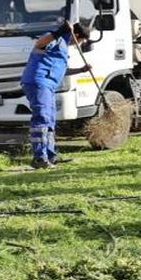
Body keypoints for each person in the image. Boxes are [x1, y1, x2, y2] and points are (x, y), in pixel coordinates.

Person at [21, 20, 91, 169]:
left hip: (48, 85)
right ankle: (40, 158)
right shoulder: (54, 39)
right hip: (39, 82)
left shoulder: (63, 46)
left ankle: (51, 156)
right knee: (42, 118)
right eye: (81, 41)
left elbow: (60, 70)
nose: (79, 44)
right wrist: (58, 32)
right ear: (76, 35)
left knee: (50, 120)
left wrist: (81, 70)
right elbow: (39, 44)